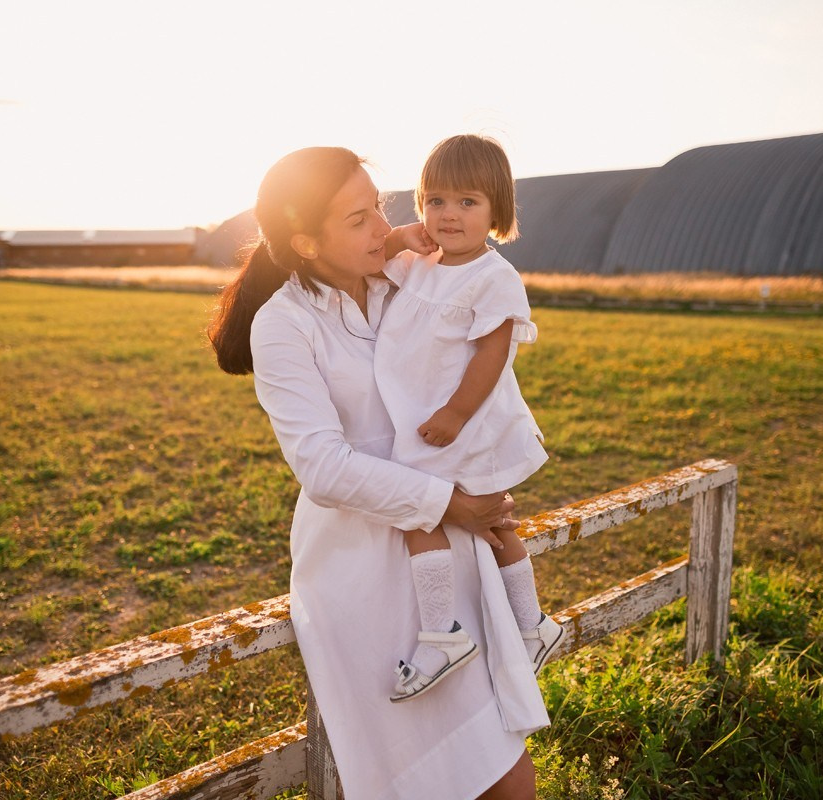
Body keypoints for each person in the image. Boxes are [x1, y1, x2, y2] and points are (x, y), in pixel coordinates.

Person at [208, 146, 549, 799]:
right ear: (306, 242)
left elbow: (478, 348)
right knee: (420, 775)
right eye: (359, 218)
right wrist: (453, 503)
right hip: (362, 561)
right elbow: (323, 467)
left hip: (447, 551)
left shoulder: (408, 276)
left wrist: (473, 488)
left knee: (505, 764)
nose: (383, 226)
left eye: (381, 208)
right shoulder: (284, 324)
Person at [377, 135, 564, 704]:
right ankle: (535, 627)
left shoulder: (493, 277)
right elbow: (372, 258)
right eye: (435, 201)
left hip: (467, 420)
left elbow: (492, 355)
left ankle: (445, 635)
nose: (448, 215)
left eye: (467, 202)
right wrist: (395, 236)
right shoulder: (420, 264)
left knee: (425, 512)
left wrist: (456, 415)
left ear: (498, 211)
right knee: (487, 521)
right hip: (431, 417)